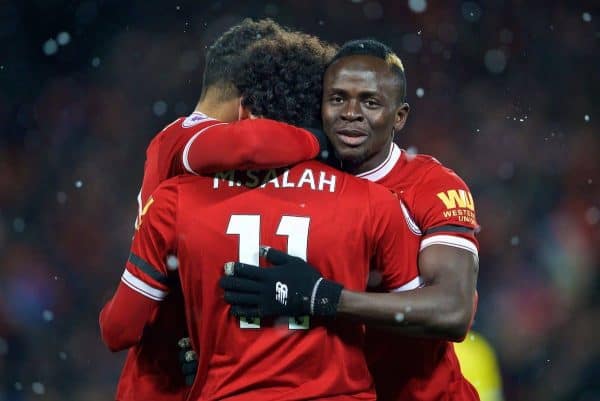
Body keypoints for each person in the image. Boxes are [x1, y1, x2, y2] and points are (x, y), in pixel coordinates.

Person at [99, 33, 423, 400]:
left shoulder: (178, 198)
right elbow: (414, 318)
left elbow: (120, 329)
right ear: (245, 110)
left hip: (188, 376)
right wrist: (319, 143)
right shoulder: (369, 200)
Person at [184, 39, 481, 401]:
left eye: (370, 102)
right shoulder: (292, 181)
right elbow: (272, 292)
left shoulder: (432, 187)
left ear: (399, 116)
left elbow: (452, 312)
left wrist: (323, 297)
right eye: (338, 98)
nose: (351, 113)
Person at [99, 19, 330, 401]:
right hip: (167, 378)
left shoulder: (195, 170)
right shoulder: (182, 140)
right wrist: (324, 142)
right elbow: (250, 147)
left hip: (203, 371)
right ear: (246, 103)